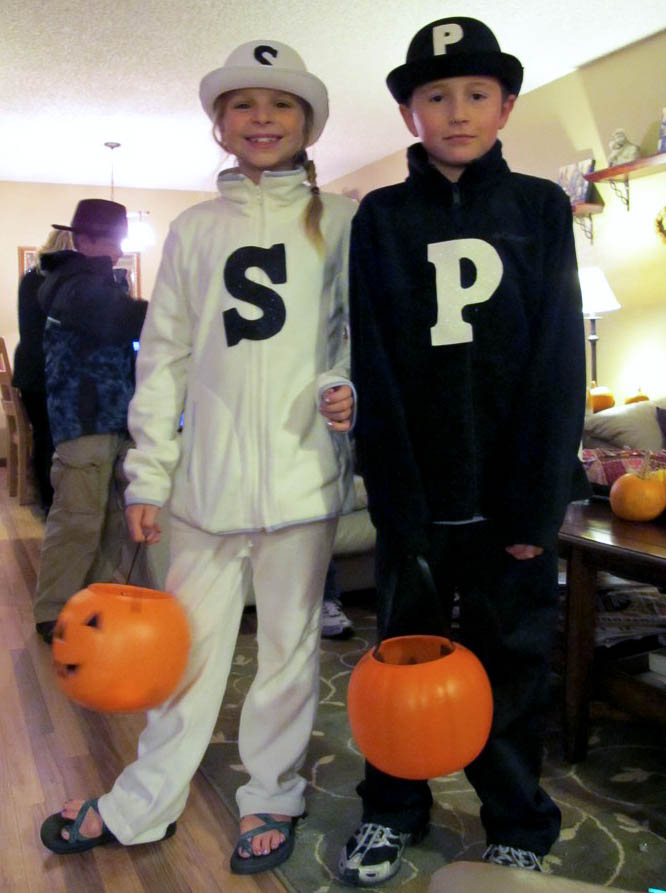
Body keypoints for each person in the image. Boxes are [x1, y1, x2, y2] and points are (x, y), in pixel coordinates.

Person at [39, 40, 357, 876]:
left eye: (280, 104)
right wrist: (148, 473)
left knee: (288, 652)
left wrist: (345, 386)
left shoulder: (345, 221)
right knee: (185, 652)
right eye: (243, 104)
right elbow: (164, 358)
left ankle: (273, 794)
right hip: (204, 487)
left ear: (308, 123)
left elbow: (356, 334)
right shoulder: (194, 229)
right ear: (220, 124)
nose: (262, 118)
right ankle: (144, 801)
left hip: (305, 478)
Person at [338, 16, 589, 886]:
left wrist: (537, 505)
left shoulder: (540, 207)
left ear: (505, 106)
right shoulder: (381, 217)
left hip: (508, 501)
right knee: (400, 661)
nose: (457, 111)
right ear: (409, 115)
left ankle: (518, 815)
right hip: (418, 497)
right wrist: (394, 496)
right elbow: (374, 359)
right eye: (436, 96)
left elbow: (559, 360)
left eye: (476, 94)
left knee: (513, 664)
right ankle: (391, 807)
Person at [32, 199, 148, 644]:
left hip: (109, 416)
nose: (116, 250)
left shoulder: (87, 282)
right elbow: (123, 320)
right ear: (82, 240)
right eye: (108, 240)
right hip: (85, 418)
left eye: (118, 240)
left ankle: (90, 604)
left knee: (109, 522)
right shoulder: (73, 283)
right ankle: (54, 613)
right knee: (78, 520)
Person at [13, 229, 74, 513]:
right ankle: (56, 499)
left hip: (28, 369)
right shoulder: (64, 282)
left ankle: (46, 501)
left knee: (43, 434)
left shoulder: (30, 278)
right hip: (52, 369)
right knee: (57, 436)